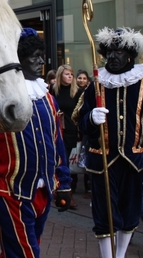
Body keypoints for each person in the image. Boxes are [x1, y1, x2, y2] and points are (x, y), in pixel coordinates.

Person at [75, 27, 143, 258]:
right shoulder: (95, 85)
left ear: (129, 55)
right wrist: (91, 118)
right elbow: (80, 120)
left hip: (134, 162)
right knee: (104, 214)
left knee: (130, 212)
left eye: (118, 52)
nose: (113, 57)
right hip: (102, 161)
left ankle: (120, 255)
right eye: (109, 52)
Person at [0, 28, 72, 258]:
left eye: (42, 55)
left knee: (19, 250)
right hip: (10, 190)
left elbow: (56, 142)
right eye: (35, 56)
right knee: (25, 254)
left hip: (43, 191)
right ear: (19, 58)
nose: (41, 61)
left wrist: (64, 182)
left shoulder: (48, 98)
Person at [51, 64, 84, 209]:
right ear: (60, 76)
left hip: (70, 129)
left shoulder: (77, 91)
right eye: (67, 74)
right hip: (55, 129)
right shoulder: (53, 90)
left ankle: (63, 190)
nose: (70, 76)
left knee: (65, 160)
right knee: (57, 160)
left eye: (71, 74)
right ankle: (61, 190)